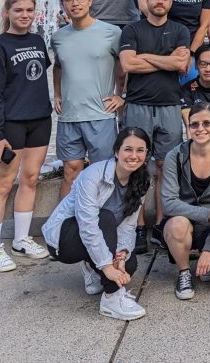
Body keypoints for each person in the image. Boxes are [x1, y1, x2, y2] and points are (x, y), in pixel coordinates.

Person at [42, 127, 151, 320]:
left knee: (130, 265)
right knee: (105, 217)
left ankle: (92, 267)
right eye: (128, 149)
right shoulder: (92, 175)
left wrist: (122, 255)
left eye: (140, 150)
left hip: (100, 236)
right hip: (64, 240)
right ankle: (111, 300)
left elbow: (128, 225)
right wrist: (107, 267)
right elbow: (88, 225)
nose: (134, 155)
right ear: (117, 151)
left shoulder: (141, 180)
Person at [0, 0, 53, 271]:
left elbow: (36, 76)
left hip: (39, 120)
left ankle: (21, 239)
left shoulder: (37, 40)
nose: (24, 15)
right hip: (11, 124)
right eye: (18, 10)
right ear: (6, 14)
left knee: (31, 178)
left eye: (29, 10)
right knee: (2, 184)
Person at [118, 0, 193, 253]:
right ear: (146, 0)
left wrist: (145, 58)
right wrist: (164, 59)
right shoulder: (133, 29)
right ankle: (138, 227)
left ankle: (161, 224)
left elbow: (181, 64)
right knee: (135, 166)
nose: (159, 1)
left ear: (170, 2)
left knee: (165, 167)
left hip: (169, 105)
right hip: (138, 105)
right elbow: (127, 64)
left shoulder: (180, 30)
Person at [51, 0, 125, 198]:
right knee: (70, 171)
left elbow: (124, 67)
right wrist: (56, 94)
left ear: (90, 1)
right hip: (69, 117)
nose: (75, 3)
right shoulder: (58, 37)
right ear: (63, 4)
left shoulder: (111, 32)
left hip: (100, 115)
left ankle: (103, 224)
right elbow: (57, 66)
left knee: (103, 173)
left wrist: (121, 96)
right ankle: (67, 225)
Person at [160, 102, 210, 300]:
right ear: (188, 127)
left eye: (207, 123)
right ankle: (184, 272)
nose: (200, 129)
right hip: (183, 221)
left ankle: (208, 261)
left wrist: (209, 249)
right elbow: (169, 202)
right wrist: (208, 214)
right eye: (194, 124)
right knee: (178, 224)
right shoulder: (175, 156)